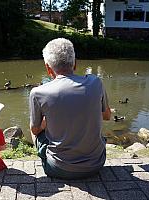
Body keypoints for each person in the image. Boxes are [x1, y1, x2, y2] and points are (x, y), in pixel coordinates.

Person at [29, 38, 111, 179]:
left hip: (59, 169)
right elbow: (107, 116)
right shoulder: (96, 82)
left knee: (33, 126)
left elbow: (35, 130)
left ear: (48, 68)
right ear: (75, 64)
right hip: (96, 164)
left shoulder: (38, 93)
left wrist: (46, 121)